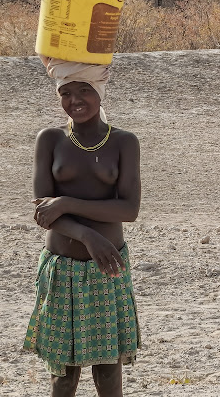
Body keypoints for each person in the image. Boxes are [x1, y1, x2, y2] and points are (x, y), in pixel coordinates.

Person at [24, 57, 141, 397]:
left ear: (100, 92)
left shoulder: (123, 142)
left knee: (108, 372)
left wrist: (67, 203)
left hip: (108, 266)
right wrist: (88, 235)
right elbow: (43, 212)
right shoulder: (50, 140)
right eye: (66, 92)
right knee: (63, 375)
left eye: (85, 90)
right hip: (61, 267)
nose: (75, 100)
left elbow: (129, 209)